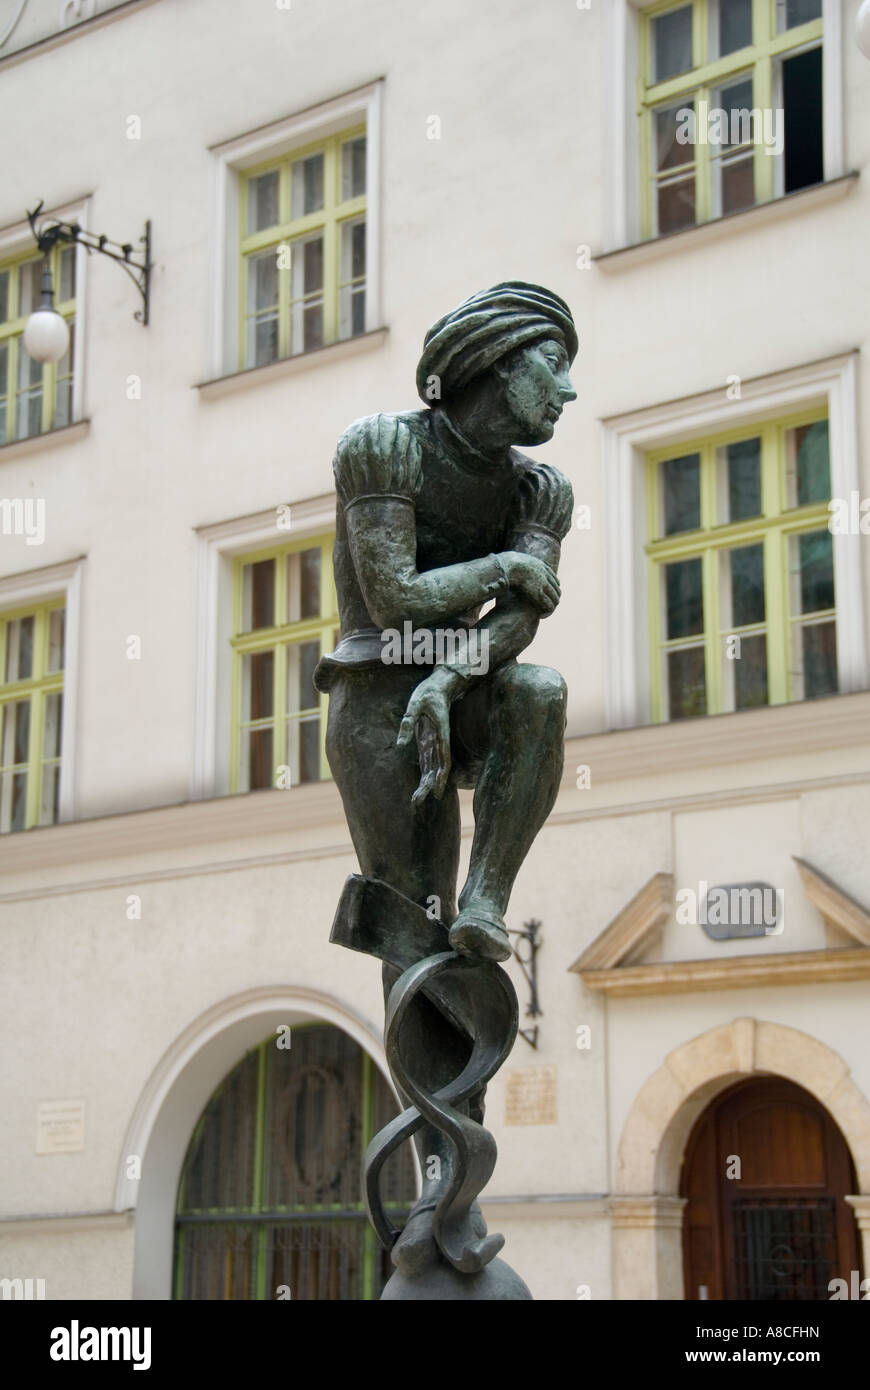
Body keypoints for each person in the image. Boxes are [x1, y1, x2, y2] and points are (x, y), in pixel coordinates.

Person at [314, 281, 577, 1273]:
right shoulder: (380, 447)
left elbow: (522, 624)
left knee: (539, 692)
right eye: (556, 364)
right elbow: (390, 597)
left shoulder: (540, 490)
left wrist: (460, 669)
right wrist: (506, 572)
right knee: (412, 939)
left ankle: (490, 899)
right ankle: (443, 1185)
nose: (569, 391)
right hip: (376, 696)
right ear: (502, 364)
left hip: (448, 686)